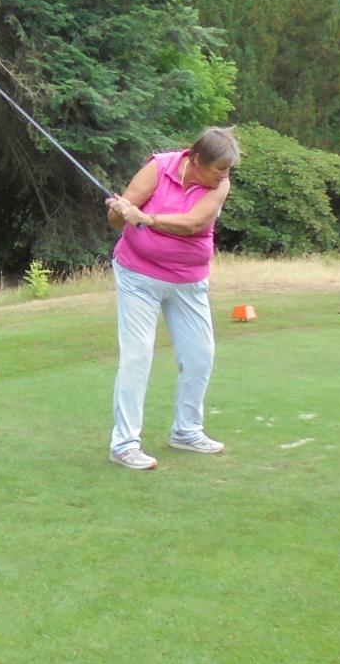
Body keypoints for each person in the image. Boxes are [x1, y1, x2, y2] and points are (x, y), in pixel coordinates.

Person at [101, 126, 241, 470]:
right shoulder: (159, 167)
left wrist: (145, 218)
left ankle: (187, 431)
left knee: (199, 356)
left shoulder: (220, 185)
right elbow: (116, 221)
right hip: (138, 276)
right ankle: (124, 445)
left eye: (228, 169)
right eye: (219, 168)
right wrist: (120, 211)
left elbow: (193, 223)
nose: (225, 175)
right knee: (137, 356)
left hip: (188, 281)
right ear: (196, 160)